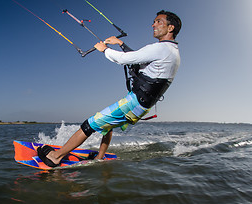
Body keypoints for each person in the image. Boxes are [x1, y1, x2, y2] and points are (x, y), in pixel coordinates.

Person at [37, 10, 182, 167]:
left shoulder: (161, 49)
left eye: (158, 21)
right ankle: (100, 156)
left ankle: (55, 157)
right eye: (154, 21)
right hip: (142, 105)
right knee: (108, 125)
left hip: (134, 102)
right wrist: (120, 44)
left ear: (170, 28)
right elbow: (138, 58)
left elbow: (125, 59)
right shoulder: (172, 51)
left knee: (89, 124)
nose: (153, 24)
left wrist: (104, 49)